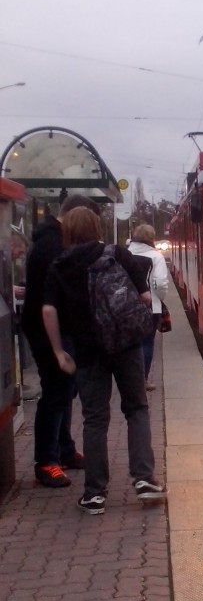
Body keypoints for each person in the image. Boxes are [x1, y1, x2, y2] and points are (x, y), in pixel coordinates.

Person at [42, 206, 165, 515]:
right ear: (97, 226)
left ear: (68, 231)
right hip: (126, 346)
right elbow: (146, 298)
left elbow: (48, 310)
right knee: (136, 409)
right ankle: (145, 481)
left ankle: (95, 494)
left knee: (95, 419)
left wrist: (58, 351)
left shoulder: (61, 264)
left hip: (87, 353)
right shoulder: (118, 254)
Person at [21, 194, 99, 487]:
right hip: (47, 329)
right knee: (56, 392)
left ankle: (64, 451)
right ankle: (46, 462)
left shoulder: (53, 240)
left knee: (65, 391)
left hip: (52, 327)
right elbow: (57, 298)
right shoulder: (52, 245)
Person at [127, 224, 170, 389]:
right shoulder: (156, 256)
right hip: (150, 306)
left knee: (130, 344)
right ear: (151, 238)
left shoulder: (125, 254)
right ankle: (142, 380)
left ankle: (129, 380)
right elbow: (160, 283)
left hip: (126, 307)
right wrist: (158, 299)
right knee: (146, 342)